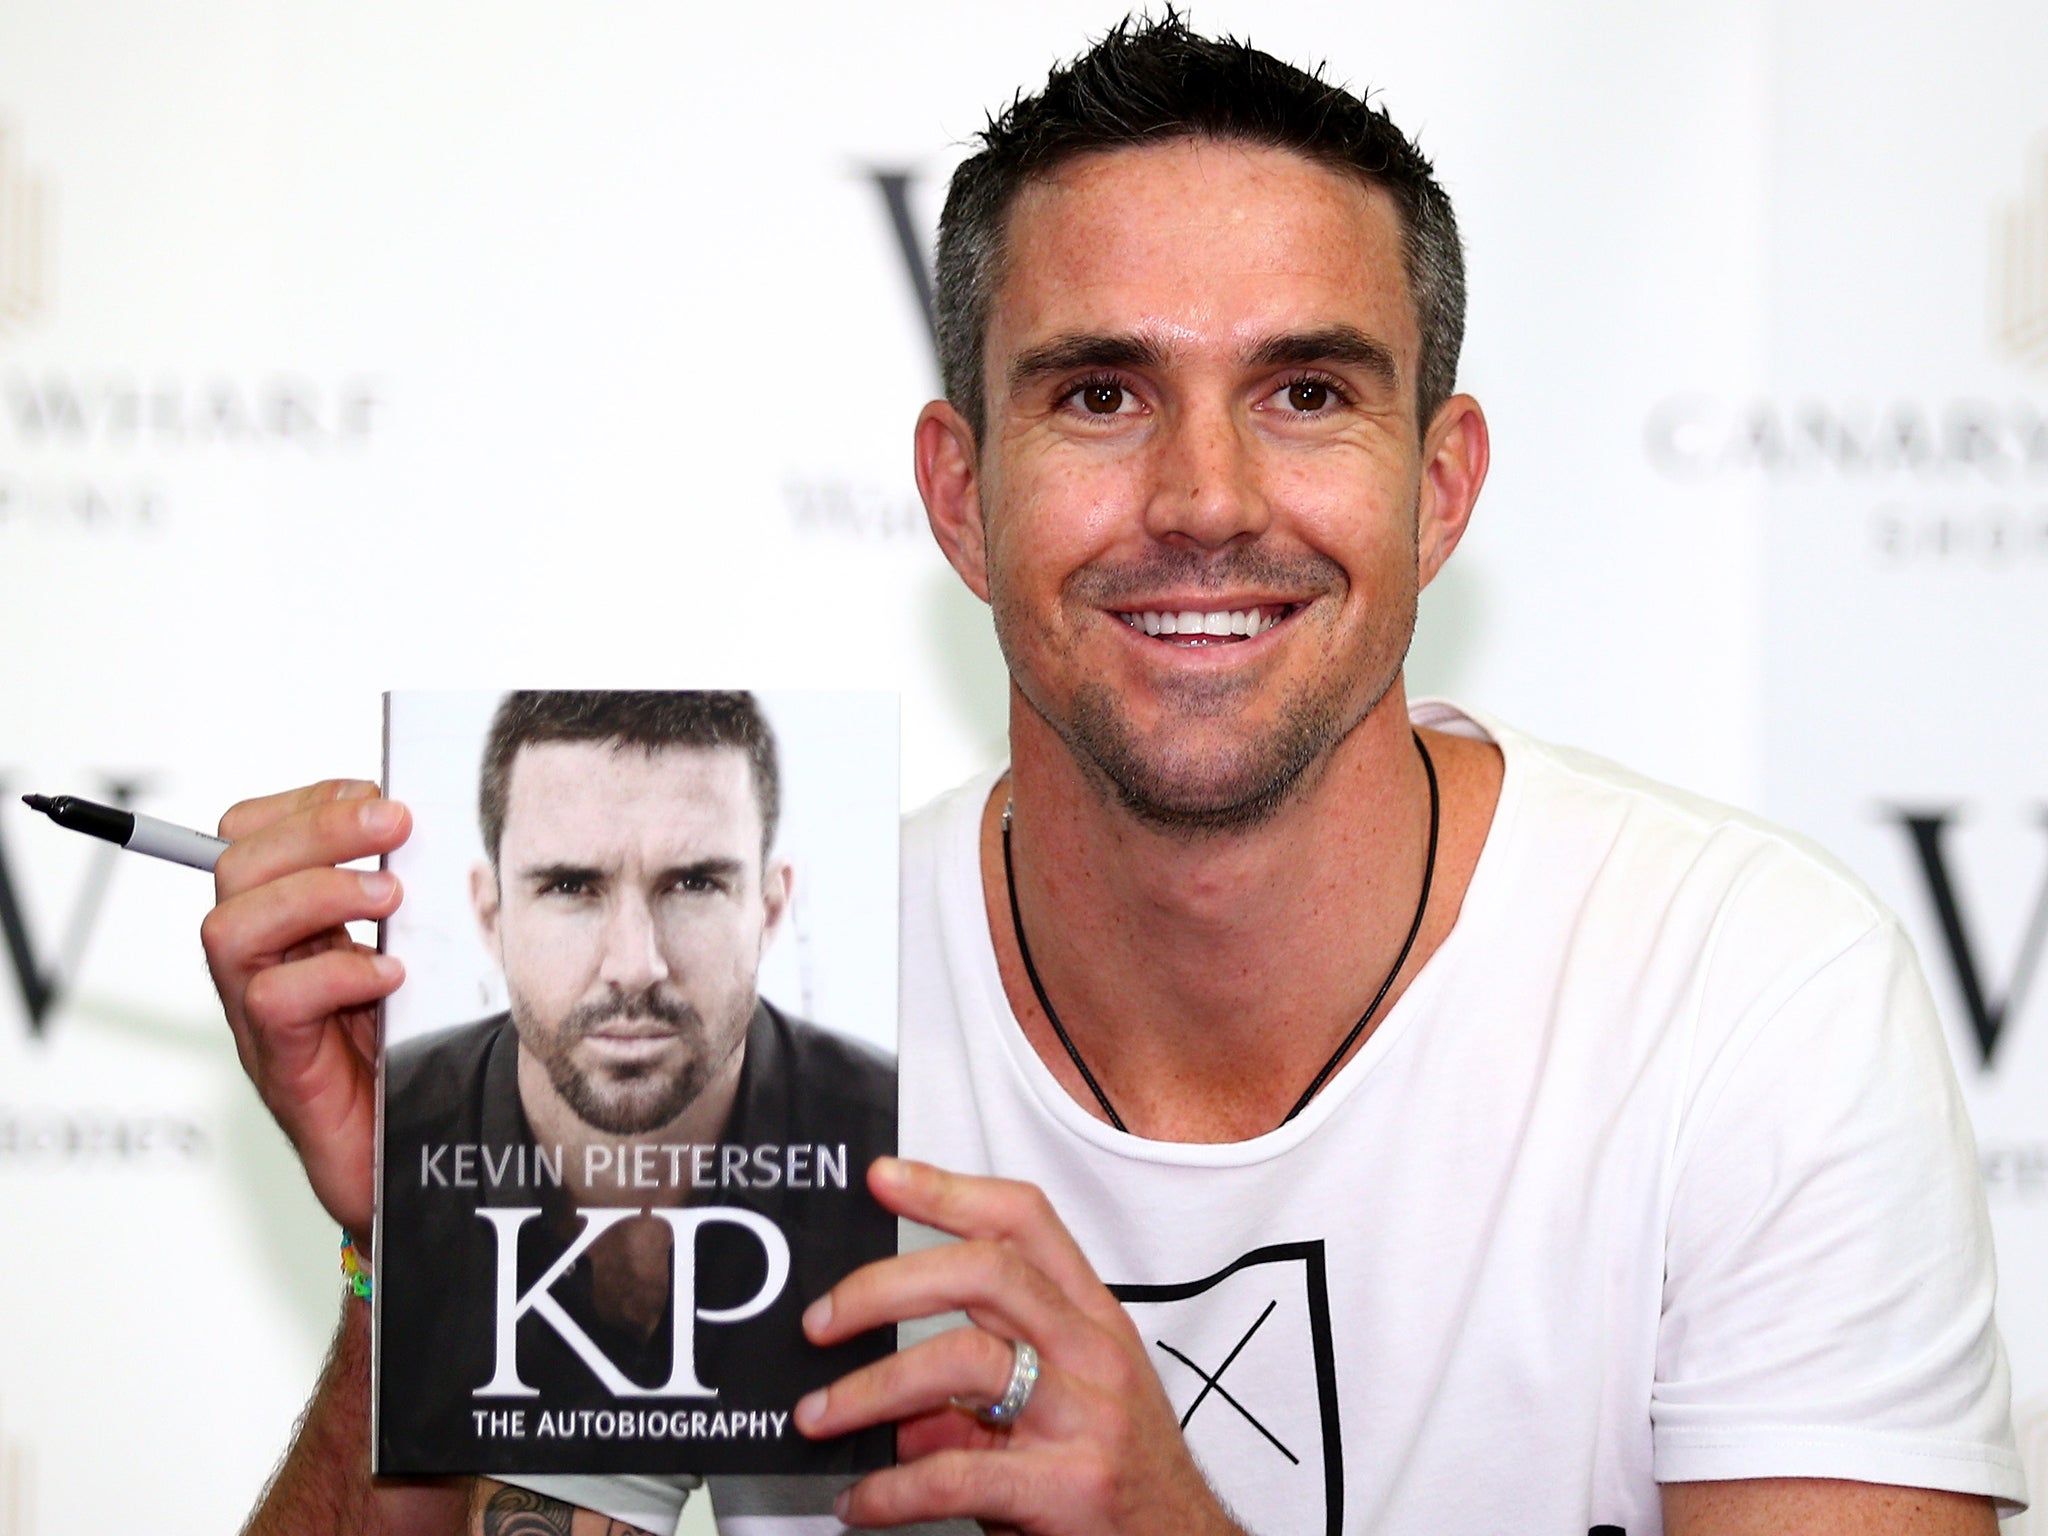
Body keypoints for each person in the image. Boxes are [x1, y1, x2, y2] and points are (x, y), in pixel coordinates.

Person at [200, 16, 2024, 1536]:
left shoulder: (1739, 998)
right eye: (1099, 395)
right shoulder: (739, 1002)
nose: (1206, 499)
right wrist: (434, 1260)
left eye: (1306, 391)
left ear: (1440, 485)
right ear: (956, 492)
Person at [374, 691, 894, 1479]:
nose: (634, 964)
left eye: (692, 885)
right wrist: (371, 1241)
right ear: (490, 914)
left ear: (770, 906)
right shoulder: (396, 1128)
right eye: (571, 887)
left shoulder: (902, 1145)